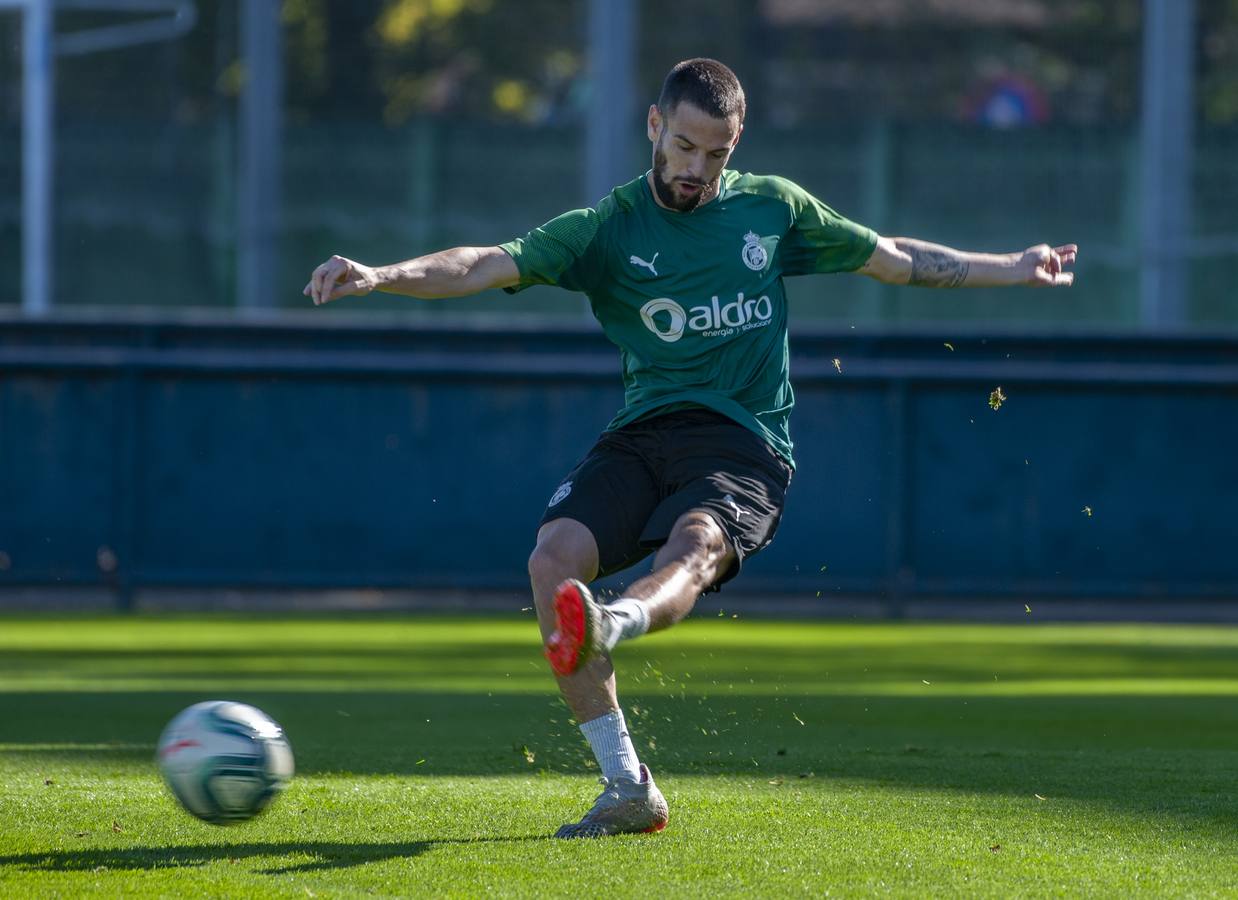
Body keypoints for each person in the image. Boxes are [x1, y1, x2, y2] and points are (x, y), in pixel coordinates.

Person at [304, 57, 1077, 839]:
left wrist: (1012, 268)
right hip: (645, 432)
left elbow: (895, 258)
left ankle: (616, 622)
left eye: (716, 154)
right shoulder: (607, 229)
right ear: (654, 126)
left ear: (736, 146)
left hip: (745, 445)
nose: (695, 169)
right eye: (683, 147)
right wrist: (379, 275)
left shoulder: (772, 210)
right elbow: (483, 263)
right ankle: (627, 786)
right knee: (549, 562)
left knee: (699, 542)